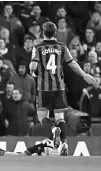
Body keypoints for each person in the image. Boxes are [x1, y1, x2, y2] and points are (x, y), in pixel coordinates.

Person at [29, 22, 96, 156]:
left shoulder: (38, 47)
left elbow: (33, 67)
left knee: (42, 116)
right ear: (55, 33)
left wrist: (33, 72)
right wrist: (84, 75)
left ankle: (53, 130)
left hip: (44, 89)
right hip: (59, 88)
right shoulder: (62, 47)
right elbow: (73, 64)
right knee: (60, 118)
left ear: (43, 33)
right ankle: (64, 144)